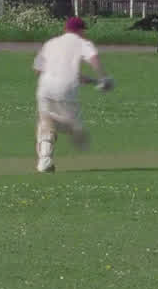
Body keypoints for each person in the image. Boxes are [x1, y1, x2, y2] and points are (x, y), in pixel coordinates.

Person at [30, 15, 111, 174]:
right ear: (80, 31)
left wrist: (91, 81)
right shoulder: (82, 43)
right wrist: (103, 78)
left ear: (66, 29)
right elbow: (93, 58)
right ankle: (72, 127)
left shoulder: (51, 43)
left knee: (45, 125)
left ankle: (45, 161)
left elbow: (37, 69)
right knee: (71, 124)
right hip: (67, 89)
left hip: (45, 87)